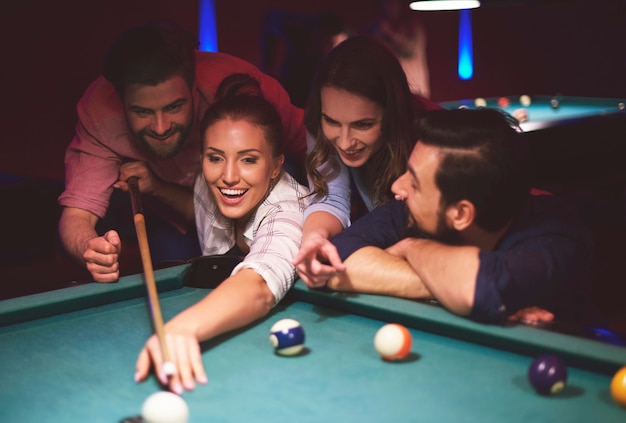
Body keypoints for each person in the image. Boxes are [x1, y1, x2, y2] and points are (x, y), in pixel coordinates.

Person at [57, 21, 306, 283]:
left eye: (174, 107)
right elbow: (77, 213)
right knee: (179, 281)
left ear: (194, 89)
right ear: (121, 102)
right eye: (143, 111)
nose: (161, 127)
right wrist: (90, 248)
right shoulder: (99, 113)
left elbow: (317, 150)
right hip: (179, 213)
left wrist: (330, 218)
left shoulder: (245, 91)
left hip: (268, 209)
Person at [322, 108, 593, 324]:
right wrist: (445, 288)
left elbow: (479, 286)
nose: (397, 187)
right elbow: (338, 261)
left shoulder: (557, 239)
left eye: (414, 182)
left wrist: (411, 247)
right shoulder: (413, 210)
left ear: (461, 214)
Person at [135, 74, 309, 394]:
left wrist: (185, 327)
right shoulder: (210, 181)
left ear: (275, 165)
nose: (228, 176)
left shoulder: (291, 210)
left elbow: (258, 284)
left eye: (248, 160)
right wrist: (155, 188)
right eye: (215, 158)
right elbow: (199, 211)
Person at [292, 35, 441, 287]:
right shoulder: (319, 124)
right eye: (332, 122)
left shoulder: (431, 136)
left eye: (363, 124)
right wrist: (314, 238)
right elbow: (331, 197)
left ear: (392, 113)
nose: (345, 142)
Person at [260, 9, 350, 108]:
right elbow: (272, 18)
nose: (327, 48)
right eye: (326, 43)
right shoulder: (297, 28)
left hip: (316, 91)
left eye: (333, 45)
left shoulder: (348, 41)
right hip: (291, 82)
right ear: (316, 32)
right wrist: (269, 64)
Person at [368, 0, 431, 98]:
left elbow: (409, 50)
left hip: (415, 91)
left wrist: (389, 32)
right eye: (386, 2)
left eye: (393, 2)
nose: (389, 5)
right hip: (392, 92)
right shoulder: (378, 28)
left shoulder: (413, 25)